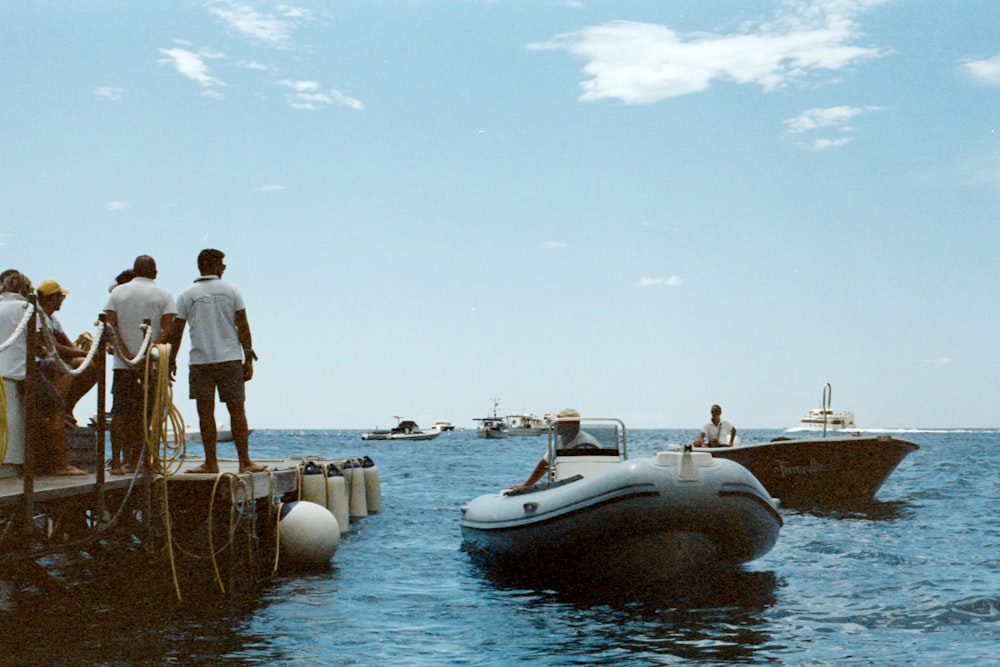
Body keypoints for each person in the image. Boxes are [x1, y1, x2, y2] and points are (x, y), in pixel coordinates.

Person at [170, 249, 265, 474]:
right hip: (230, 359)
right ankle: (244, 461)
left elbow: (177, 331)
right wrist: (248, 357)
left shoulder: (186, 294)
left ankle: (211, 462)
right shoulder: (232, 290)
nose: (224, 267)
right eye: (222, 263)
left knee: (205, 412)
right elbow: (243, 324)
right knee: (237, 410)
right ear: (212, 265)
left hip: (200, 361)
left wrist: (171, 360)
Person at [0, 270, 83, 475]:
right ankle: (59, 465)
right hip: (22, 372)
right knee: (56, 407)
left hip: (3, 371)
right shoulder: (27, 308)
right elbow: (37, 345)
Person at [105, 255, 176, 475]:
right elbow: (168, 327)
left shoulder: (117, 292)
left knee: (120, 413)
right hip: (152, 364)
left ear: (134, 272)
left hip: (122, 364)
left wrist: (126, 353)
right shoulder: (164, 294)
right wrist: (149, 352)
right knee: (150, 413)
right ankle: (148, 460)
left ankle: (117, 462)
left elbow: (110, 325)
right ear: (154, 272)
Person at [35, 279, 100, 428]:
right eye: (60, 297)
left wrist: (86, 353)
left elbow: (68, 344)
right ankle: (57, 410)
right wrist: (85, 354)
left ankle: (67, 407)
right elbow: (54, 347)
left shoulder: (53, 319)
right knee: (75, 367)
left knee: (90, 366)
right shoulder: (39, 316)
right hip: (42, 361)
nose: (62, 300)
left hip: (54, 359)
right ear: (51, 298)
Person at [509, 408, 599, 490]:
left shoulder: (589, 442)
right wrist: (527, 485)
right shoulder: (558, 440)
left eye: (561, 423)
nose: (557, 425)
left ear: (575, 425)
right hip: (565, 484)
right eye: (558, 422)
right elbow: (545, 463)